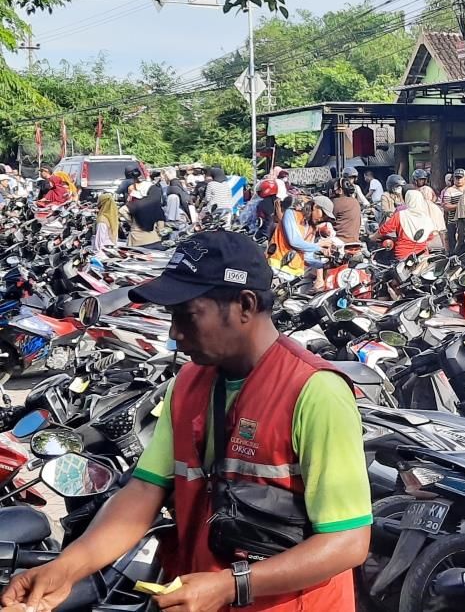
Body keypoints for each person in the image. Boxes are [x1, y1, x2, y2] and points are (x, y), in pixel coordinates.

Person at [1, 231, 371, 612]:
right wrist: (65, 568)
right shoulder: (188, 384)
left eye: (187, 316)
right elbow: (144, 492)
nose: (175, 334)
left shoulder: (316, 392)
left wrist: (230, 586)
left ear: (244, 305)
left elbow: (348, 541)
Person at [268, 196, 335, 277]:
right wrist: (319, 246)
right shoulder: (291, 213)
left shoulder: (312, 227)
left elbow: (306, 257)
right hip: (277, 268)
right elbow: (294, 241)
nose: (322, 219)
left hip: (294, 275)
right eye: (323, 214)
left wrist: (324, 265)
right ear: (315, 206)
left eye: (326, 217)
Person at [372, 189, 434, 260]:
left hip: (404, 255)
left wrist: (373, 238)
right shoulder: (427, 218)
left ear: (407, 200)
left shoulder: (401, 215)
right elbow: (430, 236)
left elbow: (385, 229)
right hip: (423, 255)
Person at [122, 181, 165, 249]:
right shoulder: (156, 206)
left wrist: (131, 221)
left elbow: (122, 210)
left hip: (136, 240)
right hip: (154, 240)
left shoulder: (135, 205)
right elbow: (161, 229)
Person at [441, 168, 465, 252]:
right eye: (457, 178)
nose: (459, 180)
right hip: (453, 222)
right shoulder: (449, 191)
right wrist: (459, 206)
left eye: (461, 177)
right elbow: (446, 206)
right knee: (454, 246)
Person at [332, 179, 362, 243]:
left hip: (340, 239)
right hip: (355, 239)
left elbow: (328, 219)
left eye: (335, 189)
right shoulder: (355, 201)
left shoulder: (336, 202)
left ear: (340, 190)